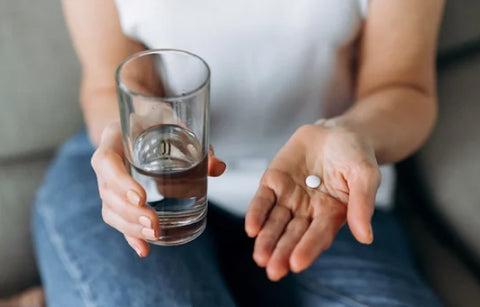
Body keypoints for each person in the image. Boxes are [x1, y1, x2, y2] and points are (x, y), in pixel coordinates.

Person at [32, 0, 445, 306]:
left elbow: (404, 89)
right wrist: (142, 127)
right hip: (144, 180)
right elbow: (108, 81)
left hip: (322, 191)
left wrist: (352, 133)